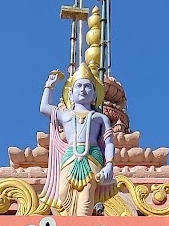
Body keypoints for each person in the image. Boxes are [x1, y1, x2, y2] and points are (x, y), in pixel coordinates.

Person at [39, 65, 115, 215]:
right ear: (71, 94)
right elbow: (44, 108)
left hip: (92, 156)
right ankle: (73, 224)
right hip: (70, 156)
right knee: (63, 191)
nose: (82, 90)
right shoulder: (65, 115)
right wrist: (49, 86)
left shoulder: (100, 118)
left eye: (87, 87)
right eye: (78, 86)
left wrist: (109, 166)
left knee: (87, 192)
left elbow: (109, 143)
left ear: (94, 95)